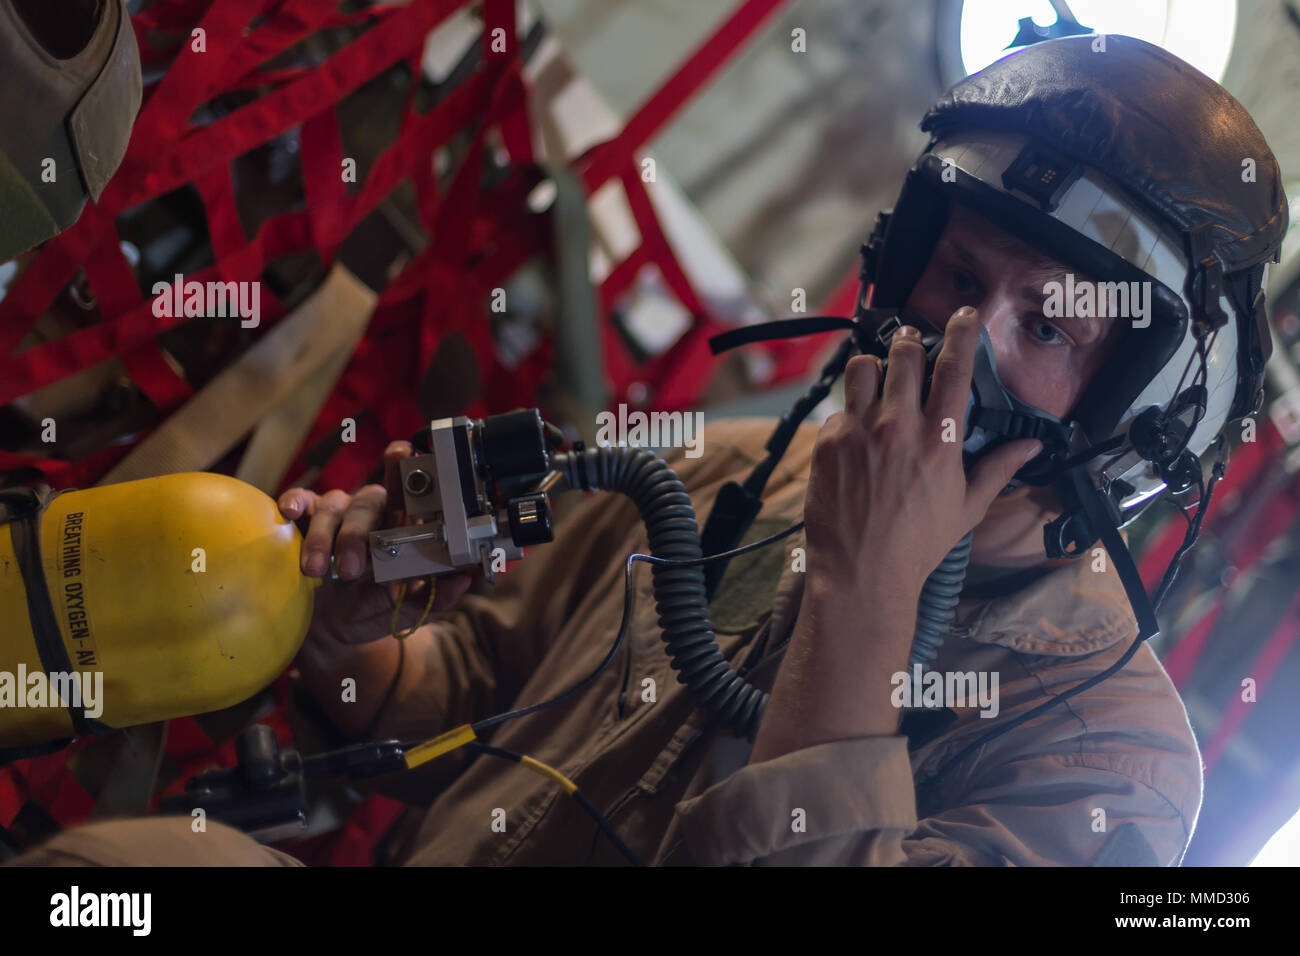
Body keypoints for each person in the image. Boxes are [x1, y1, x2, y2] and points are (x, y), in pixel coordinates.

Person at [7, 33, 1286, 866]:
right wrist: (343, 640)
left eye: (1050, 321)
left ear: (1146, 408)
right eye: (952, 272)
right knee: (105, 881)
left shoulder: (1115, 765)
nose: (961, 342)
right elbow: (457, 686)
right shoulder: (733, 474)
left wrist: (866, 591)